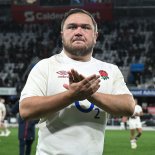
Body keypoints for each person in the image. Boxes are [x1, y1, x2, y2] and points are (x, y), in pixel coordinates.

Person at [19, 8, 135, 155]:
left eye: (86, 27)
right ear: (62, 35)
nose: (78, 31)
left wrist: (89, 94)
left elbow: (128, 107)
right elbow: (26, 110)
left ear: (95, 36)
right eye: (72, 27)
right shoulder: (46, 66)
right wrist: (71, 96)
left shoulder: (110, 70)